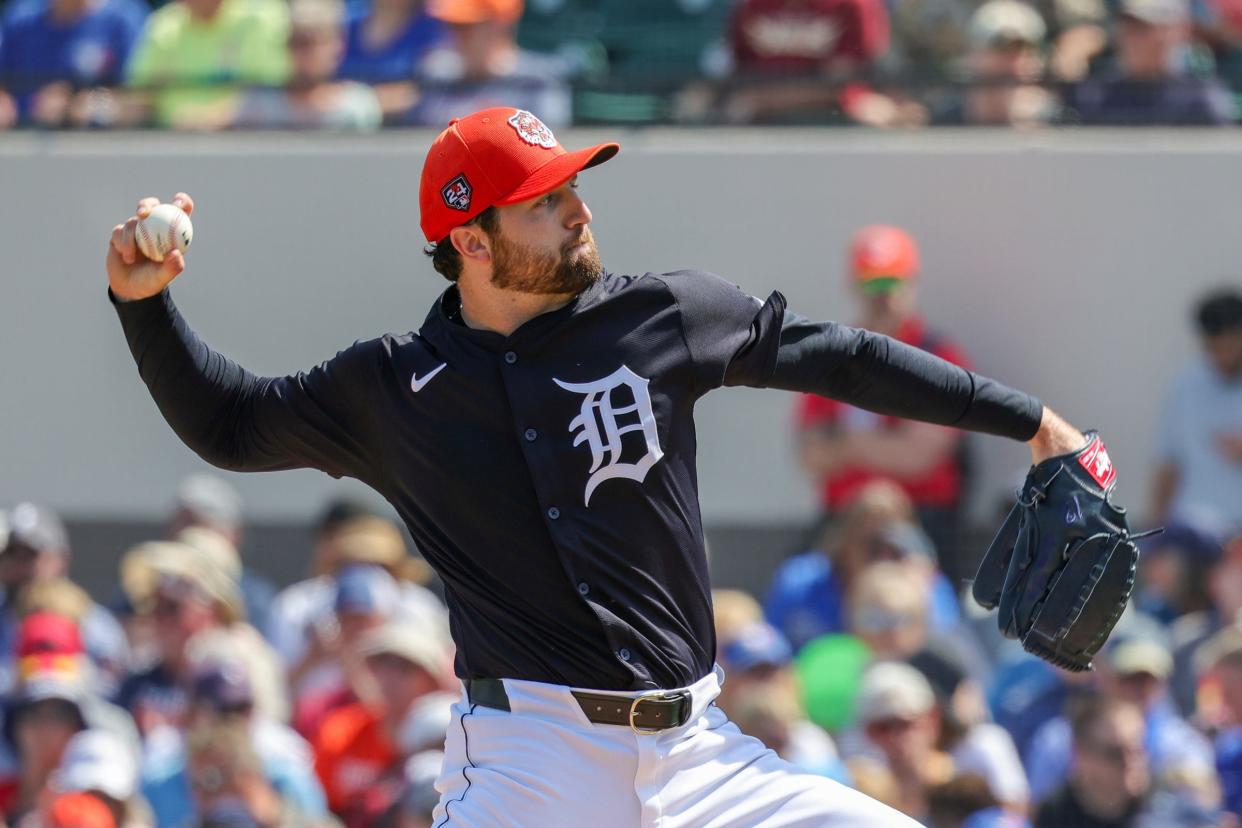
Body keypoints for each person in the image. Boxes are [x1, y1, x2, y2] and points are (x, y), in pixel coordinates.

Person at [106, 105, 1100, 825]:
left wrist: (1031, 423)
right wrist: (143, 306)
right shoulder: (393, 388)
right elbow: (231, 427)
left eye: (572, 186)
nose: (576, 209)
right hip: (532, 760)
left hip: (705, 755)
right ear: (472, 241)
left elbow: (839, 354)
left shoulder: (660, 315)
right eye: (541, 202)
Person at [795, 225, 976, 582]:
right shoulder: (834, 353)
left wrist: (846, 443)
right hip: (842, 521)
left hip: (921, 519)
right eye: (873, 285)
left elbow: (919, 457)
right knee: (799, 585)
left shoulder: (938, 356)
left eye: (892, 284)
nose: (883, 297)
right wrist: (884, 446)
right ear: (855, 286)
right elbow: (811, 455)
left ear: (912, 282)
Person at [0, 505, 128, 698]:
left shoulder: (93, 623)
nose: (19, 566)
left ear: (61, 559)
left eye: (29, 555)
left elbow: (113, 688)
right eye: (11, 554)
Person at [1151, 289, 1242, 535]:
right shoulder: (1185, 387)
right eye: (1214, 348)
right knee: (1165, 570)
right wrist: (1154, 532)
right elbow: (1169, 464)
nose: (1222, 357)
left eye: (1229, 346)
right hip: (1192, 525)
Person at [401, 0, 572, 127]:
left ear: (498, 24)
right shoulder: (435, 78)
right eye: (451, 26)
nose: (454, 36)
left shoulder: (536, 84)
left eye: (466, 26)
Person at [1064, 0, 1237, 125]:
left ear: (1176, 32)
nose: (1133, 39)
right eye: (1129, 28)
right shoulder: (1092, 97)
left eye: (1145, 29)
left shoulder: (1199, 100)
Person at [123, 0, 290, 129]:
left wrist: (211, 119)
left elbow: (268, 91)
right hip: (174, 146)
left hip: (246, 142)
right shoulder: (163, 24)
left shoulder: (260, 16)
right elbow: (139, 99)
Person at [233, 0, 382, 130]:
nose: (303, 52)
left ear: (338, 45)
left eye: (311, 42)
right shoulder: (258, 105)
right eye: (295, 42)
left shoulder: (357, 106)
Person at [0, 0, 145, 128]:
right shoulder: (20, 17)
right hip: (22, 142)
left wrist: (90, 105)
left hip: (100, 144)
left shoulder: (124, 17)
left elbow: (138, 97)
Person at [167, 474, 277, 642]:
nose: (185, 534)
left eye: (196, 523)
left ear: (234, 535)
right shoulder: (151, 584)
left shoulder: (255, 597)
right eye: (180, 523)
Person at [934, 0, 1059, 126]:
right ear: (975, 56)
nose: (1014, 59)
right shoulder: (947, 117)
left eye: (1022, 49)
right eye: (1001, 49)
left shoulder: (1058, 117)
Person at [1034, 696, 1151, 827]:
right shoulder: (1054, 815)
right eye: (1115, 753)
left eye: (1138, 750)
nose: (1131, 762)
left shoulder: (1167, 805)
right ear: (1081, 755)